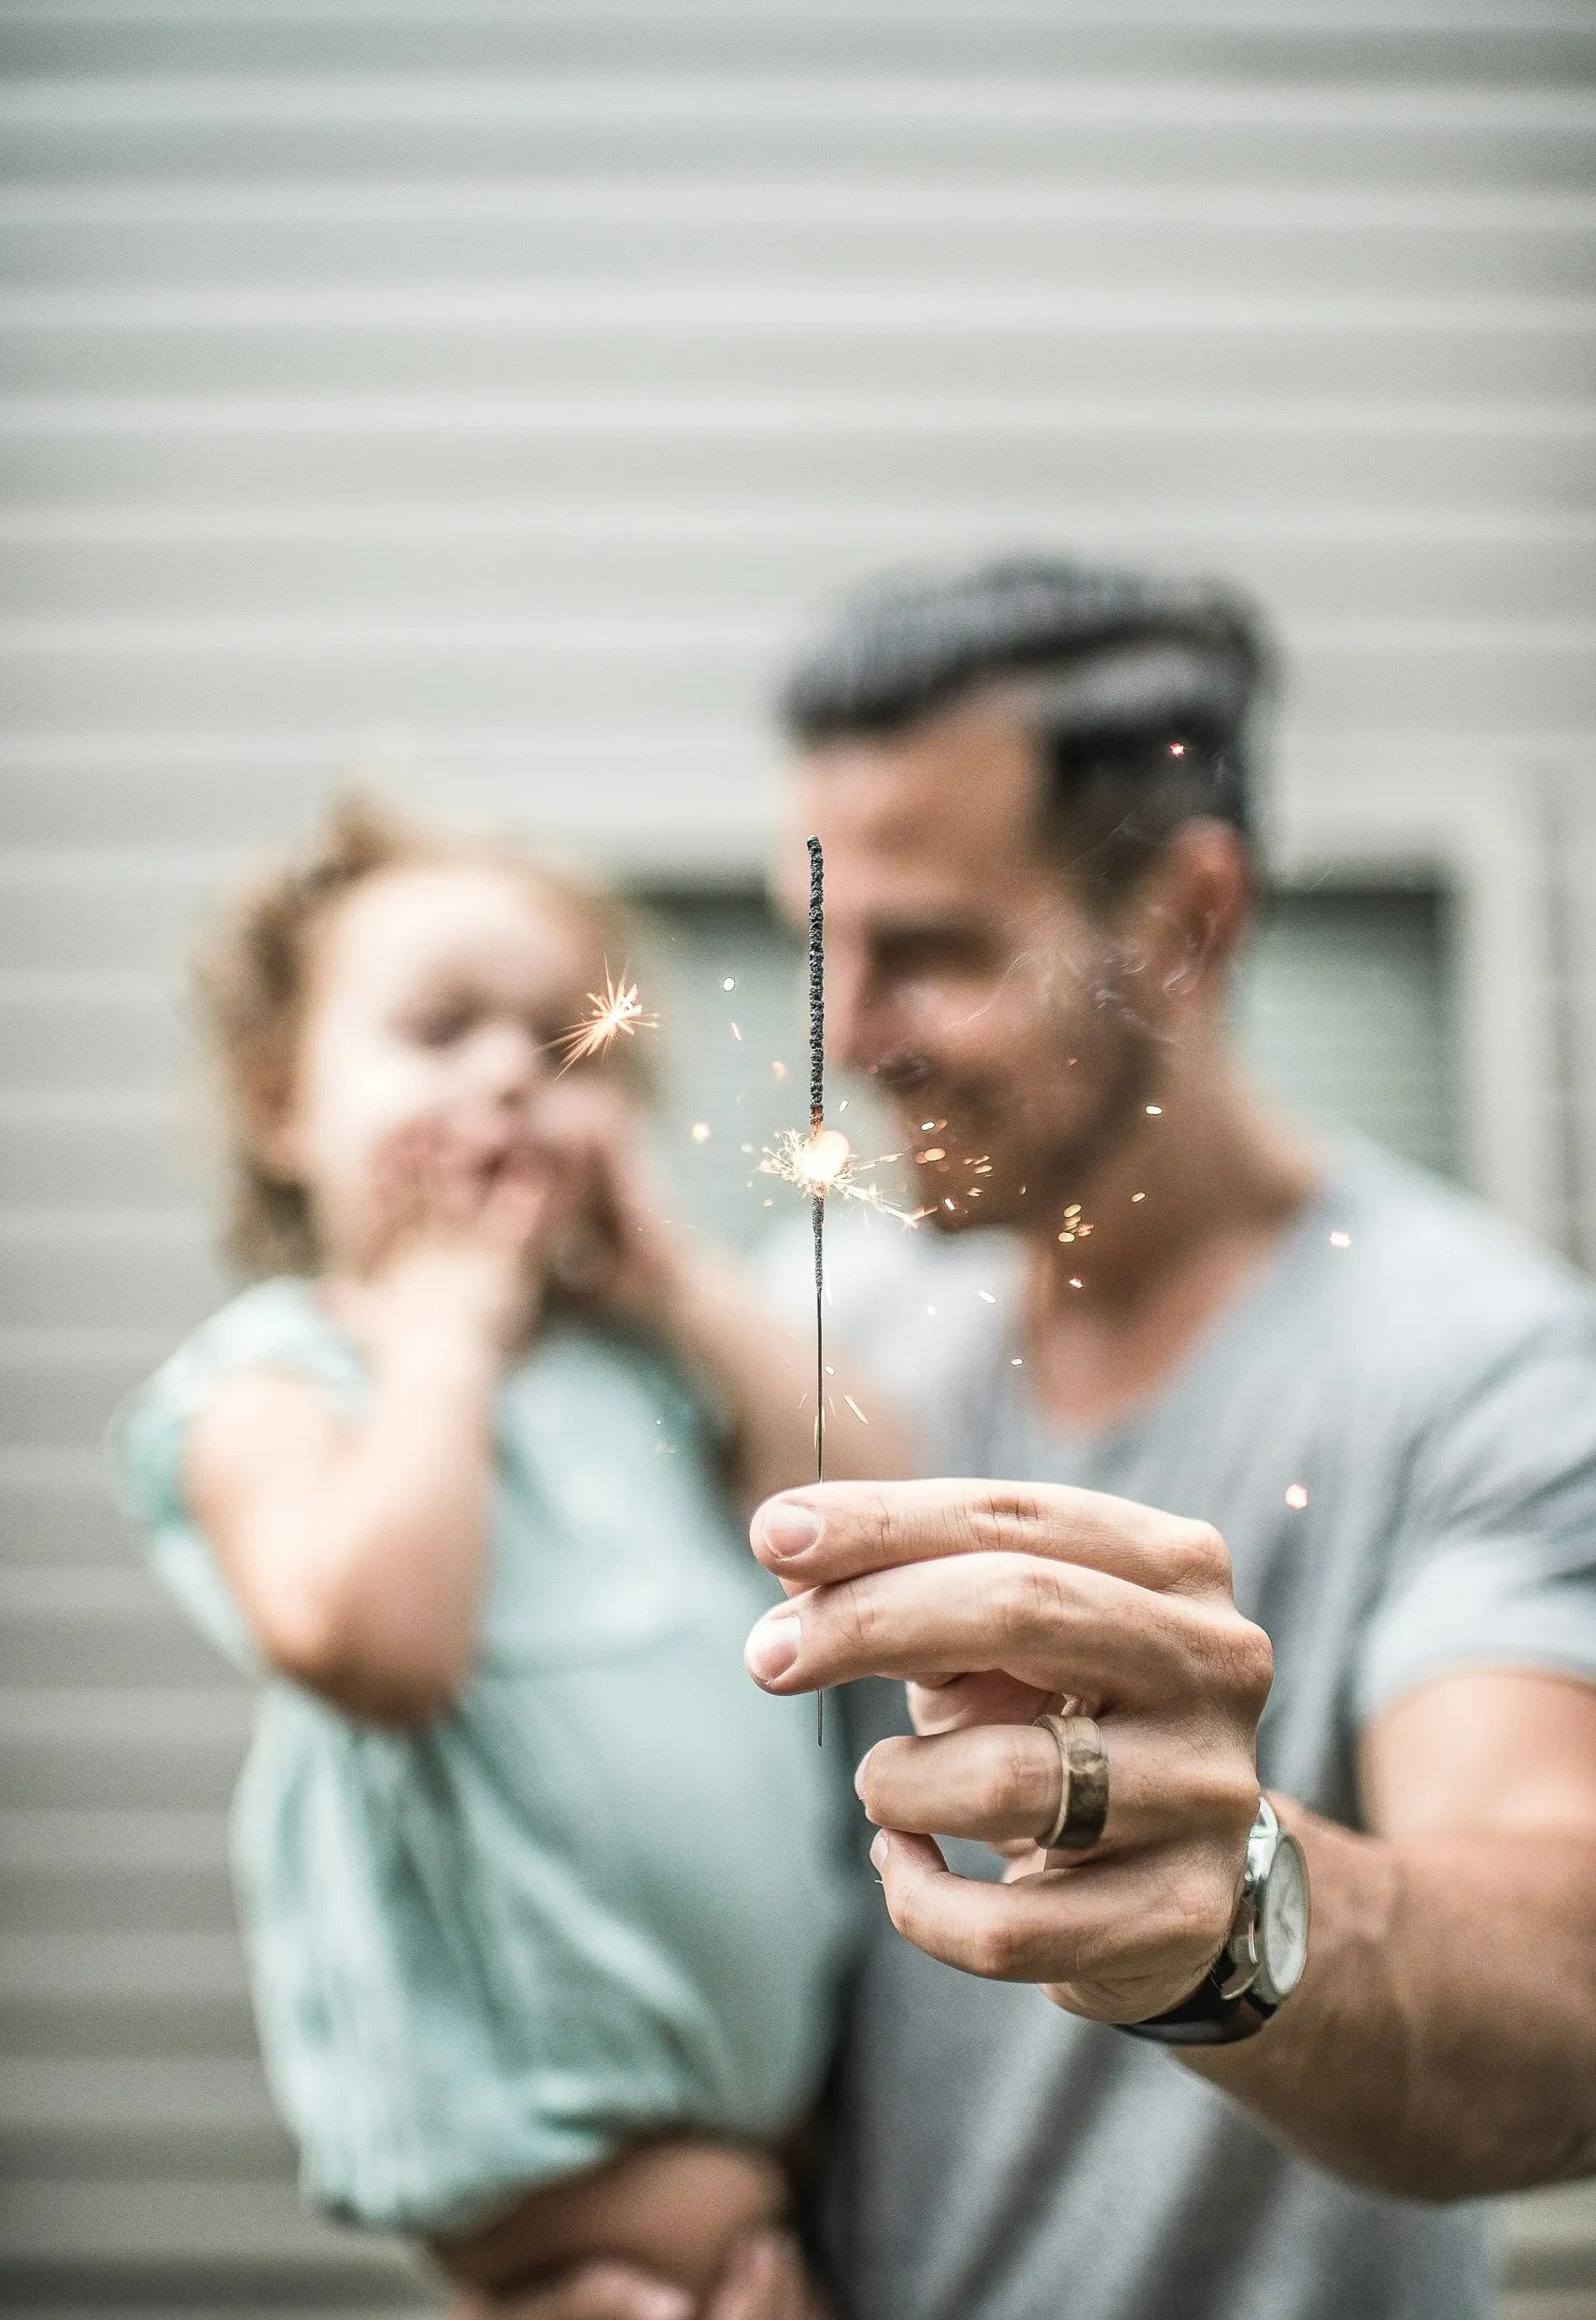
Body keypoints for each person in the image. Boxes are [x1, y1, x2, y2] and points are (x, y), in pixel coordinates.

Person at [522, 556, 1596, 2320]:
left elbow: (1561, 2005)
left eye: (929, 952)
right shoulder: (826, 1331)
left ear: (1184, 923)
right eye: (825, 952)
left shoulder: (1481, 1372)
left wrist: (1233, 1905)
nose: (848, 1041)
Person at [113, 796, 889, 2309]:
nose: (505, 1079)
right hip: (562, 2186)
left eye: (561, 1042)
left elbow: (882, 1509)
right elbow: (374, 1645)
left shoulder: (638, 1369)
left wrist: (674, 1280)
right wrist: (447, 1333)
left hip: (780, 2150)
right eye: (438, 1030)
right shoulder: (277, 1379)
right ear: (283, 1105)